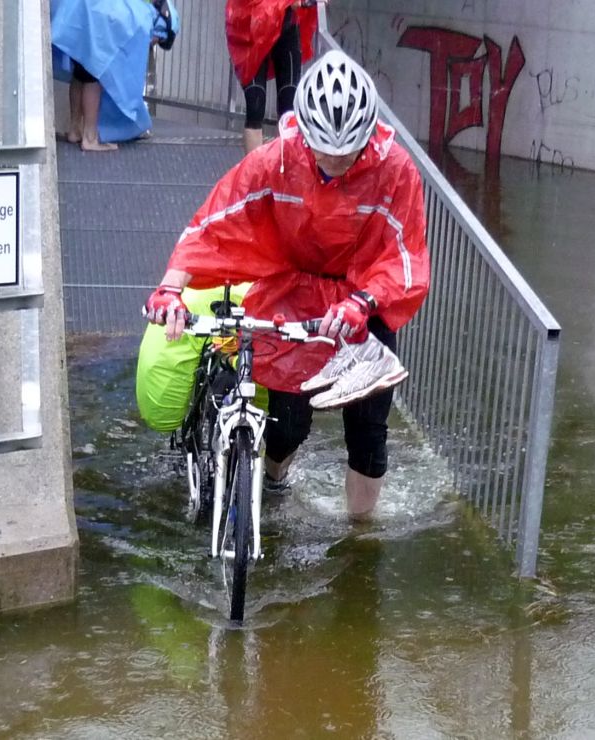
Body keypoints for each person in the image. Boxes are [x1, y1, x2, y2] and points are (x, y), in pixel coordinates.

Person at [144, 50, 430, 519]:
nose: (335, 165)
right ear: (306, 137)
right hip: (294, 293)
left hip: (363, 300)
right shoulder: (276, 160)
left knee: (369, 431)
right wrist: (170, 287)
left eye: (347, 155)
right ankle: (274, 488)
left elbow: (406, 254)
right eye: (324, 153)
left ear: (368, 139)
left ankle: (361, 539)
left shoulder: (395, 170)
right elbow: (216, 220)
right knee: (287, 422)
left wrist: (364, 300)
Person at [51, 0, 179, 150]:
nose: (153, 43)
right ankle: (90, 138)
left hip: (81, 11)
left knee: (80, 72)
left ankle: (75, 129)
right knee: (95, 74)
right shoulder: (143, 20)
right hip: (96, 15)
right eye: (159, 40)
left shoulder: (137, 8)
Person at [225, 0, 322, 153]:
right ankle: (255, 172)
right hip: (252, 28)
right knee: (255, 107)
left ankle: (283, 170)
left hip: (286, 25)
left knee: (288, 109)